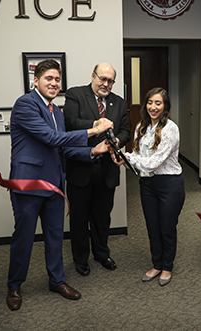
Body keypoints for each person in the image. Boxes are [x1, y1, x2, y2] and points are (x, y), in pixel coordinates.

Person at [6, 59, 113, 310]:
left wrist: (93, 152)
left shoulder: (56, 111)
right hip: (28, 185)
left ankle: (57, 281)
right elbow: (51, 138)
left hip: (54, 184)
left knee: (55, 236)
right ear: (35, 81)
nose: (54, 84)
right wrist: (93, 129)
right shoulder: (25, 104)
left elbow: (63, 147)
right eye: (48, 79)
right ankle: (14, 285)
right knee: (24, 238)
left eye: (57, 80)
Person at [63, 63, 130, 276]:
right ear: (93, 76)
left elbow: (126, 131)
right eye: (102, 78)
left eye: (110, 81)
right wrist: (97, 124)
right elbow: (71, 123)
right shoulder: (75, 95)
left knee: (102, 217)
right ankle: (81, 259)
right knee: (80, 218)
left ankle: (101, 253)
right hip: (81, 168)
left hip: (107, 170)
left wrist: (118, 140)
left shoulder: (119, 102)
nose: (106, 84)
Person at [114, 87, 185, 286]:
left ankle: (167, 267)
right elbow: (138, 155)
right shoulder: (141, 127)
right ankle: (157, 264)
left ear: (165, 106)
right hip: (147, 184)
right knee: (152, 227)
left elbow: (154, 162)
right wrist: (127, 157)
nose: (153, 107)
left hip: (169, 184)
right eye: (150, 103)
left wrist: (128, 158)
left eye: (158, 103)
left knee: (167, 228)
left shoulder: (170, 129)